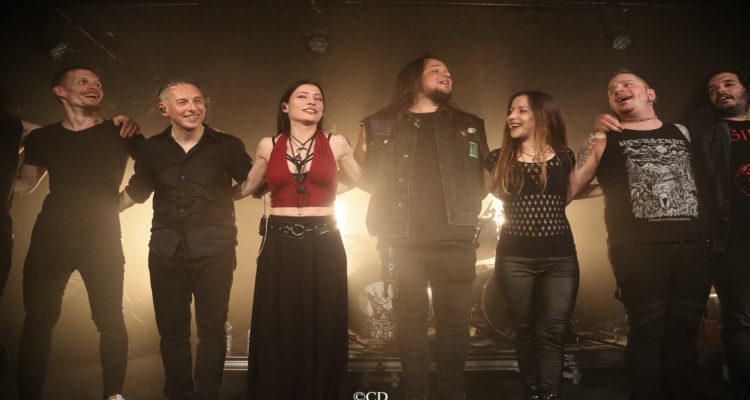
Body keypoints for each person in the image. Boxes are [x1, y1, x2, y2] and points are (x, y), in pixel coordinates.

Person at [597, 64, 750, 400]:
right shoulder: (698, 132)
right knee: (657, 332)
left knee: (686, 334)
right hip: (693, 244)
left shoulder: (689, 131)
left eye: (728, 84)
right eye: (713, 89)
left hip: (696, 247)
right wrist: (605, 124)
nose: (721, 91)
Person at [354, 54, 489, 400]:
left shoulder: (469, 124)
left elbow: (484, 177)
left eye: (448, 70)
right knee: (409, 321)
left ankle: (452, 393)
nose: (447, 74)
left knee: (454, 323)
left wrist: (464, 205)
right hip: (400, 241)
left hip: (456, 238)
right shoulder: (378, 124)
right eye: (436, 70)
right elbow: (361, 175)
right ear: (415, 79)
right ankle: (415, 393)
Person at [571, 70, 712, 400]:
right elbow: (569, 189)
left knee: (684, 335)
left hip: (693, 247)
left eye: (627, 84)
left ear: (651, 94)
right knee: (646, 334)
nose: (618, 89)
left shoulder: (681, 132)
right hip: (638, 250)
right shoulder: (601, 139)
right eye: (612, 89)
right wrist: (608, 187)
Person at [13, 65, 143, 400]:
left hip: (101, 237)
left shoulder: (120, 131)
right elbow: (26, 184)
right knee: (37, 323)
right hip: (50, 237)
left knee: (109, 320)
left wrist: (123, 201)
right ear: (60, 91)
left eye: (97, 83)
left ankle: (113, 394)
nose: (93, 86)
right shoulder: (43, 138)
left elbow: (153, 170)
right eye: (83, 81)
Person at [118, 80, 252, 400]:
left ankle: (208, 394)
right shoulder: (152, 149)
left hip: (215, 247)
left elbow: (253, 181)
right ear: (164, 109)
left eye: (198, 100)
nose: (193, 107)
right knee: (171, 331)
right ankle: (177, 393)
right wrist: (94, 211)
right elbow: (136, 191)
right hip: (165, 250)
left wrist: (226, 197)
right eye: (182, 102)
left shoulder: (227, 145)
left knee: (212, 329)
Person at [237, 79, 359, 400]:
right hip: (279, 239)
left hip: (325, 237)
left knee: (326, 316)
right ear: (285, 107)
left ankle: (323, 392)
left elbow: (359, 179)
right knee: (279, 317)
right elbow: (247, 187)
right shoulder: (268, 145)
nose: (312, 101)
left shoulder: (337, 143)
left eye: (318, 97)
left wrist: (327, 194)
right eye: (302, 96)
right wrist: (209, 192)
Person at [485, 91, 582, 400]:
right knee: (524, 332)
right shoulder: (497, 159)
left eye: (521, 110)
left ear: (542, 116)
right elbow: (477, 194)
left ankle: (550, 395)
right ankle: (532, 392)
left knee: (553, 333)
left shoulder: (565, 157)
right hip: (514, 259)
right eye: (510, 110)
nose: (511, 116)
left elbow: (569, 193)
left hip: (560, 259)